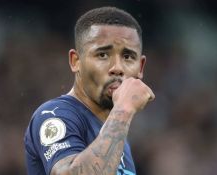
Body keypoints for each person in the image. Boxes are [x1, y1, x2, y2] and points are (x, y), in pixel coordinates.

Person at [24, 6, 155, 175]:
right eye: (103, 55)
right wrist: (124, 109)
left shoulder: (115, 133)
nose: (117, 68)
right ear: (75, 61)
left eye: (128, 56)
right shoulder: (54, 115)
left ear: (141, 67)